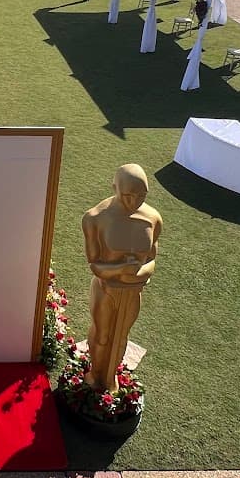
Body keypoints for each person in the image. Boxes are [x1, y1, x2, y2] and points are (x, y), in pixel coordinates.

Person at [82, 164, 162, 392]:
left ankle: (110, 377)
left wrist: (137, 274)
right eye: (128, 195)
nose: (134, 201)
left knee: (121, 336)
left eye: (141, 195)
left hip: (133, 292)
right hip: (106, 289)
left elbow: (152, 260)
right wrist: (121, 270)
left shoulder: (153, 218)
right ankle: (95, 373)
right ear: (114, 188)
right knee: (103, 335)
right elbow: (95, 265)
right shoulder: (95, 218)